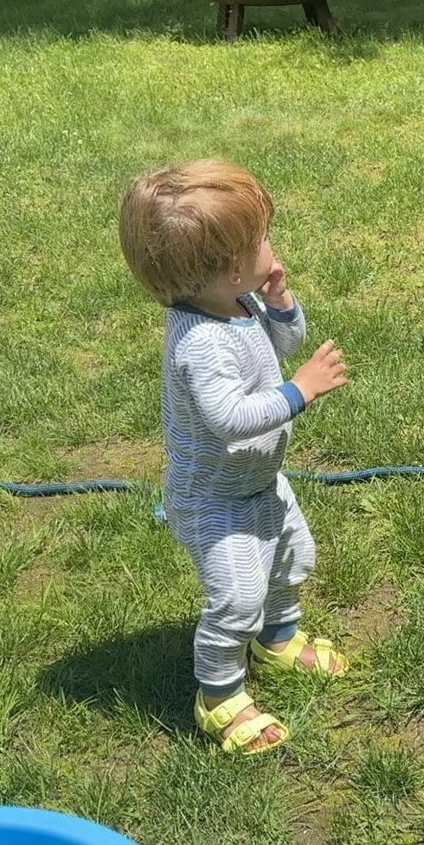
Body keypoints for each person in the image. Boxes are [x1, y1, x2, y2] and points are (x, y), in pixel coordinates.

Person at [119, 159, 349, 755]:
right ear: (228, 267)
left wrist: (280, 303)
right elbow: (229, 418)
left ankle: (277, 639)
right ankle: (219, 694)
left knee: (292, 559)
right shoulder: (200, 342)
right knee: (236, 599)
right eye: (260, 239)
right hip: (214, 500)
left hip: (258, 481)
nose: (271, 244)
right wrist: (299, 391)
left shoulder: (237, 303)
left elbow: (283, 342)